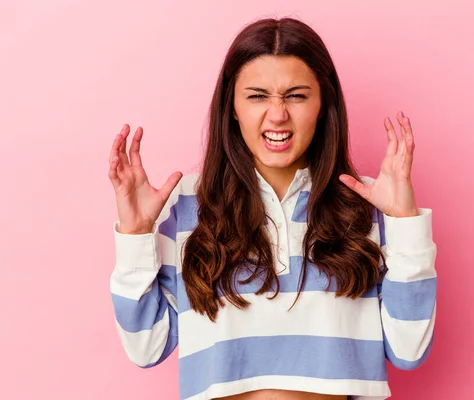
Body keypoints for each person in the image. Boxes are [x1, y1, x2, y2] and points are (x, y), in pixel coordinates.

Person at [107, 17, 437, 400]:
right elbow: (146, 347)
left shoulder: (368, 204)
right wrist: (134, 236)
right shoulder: (185, 205)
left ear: (323, 104)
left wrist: (405, 224)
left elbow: (409, 349)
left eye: (296, 95)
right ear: (231, 107)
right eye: (257, 95)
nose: (277, 114)